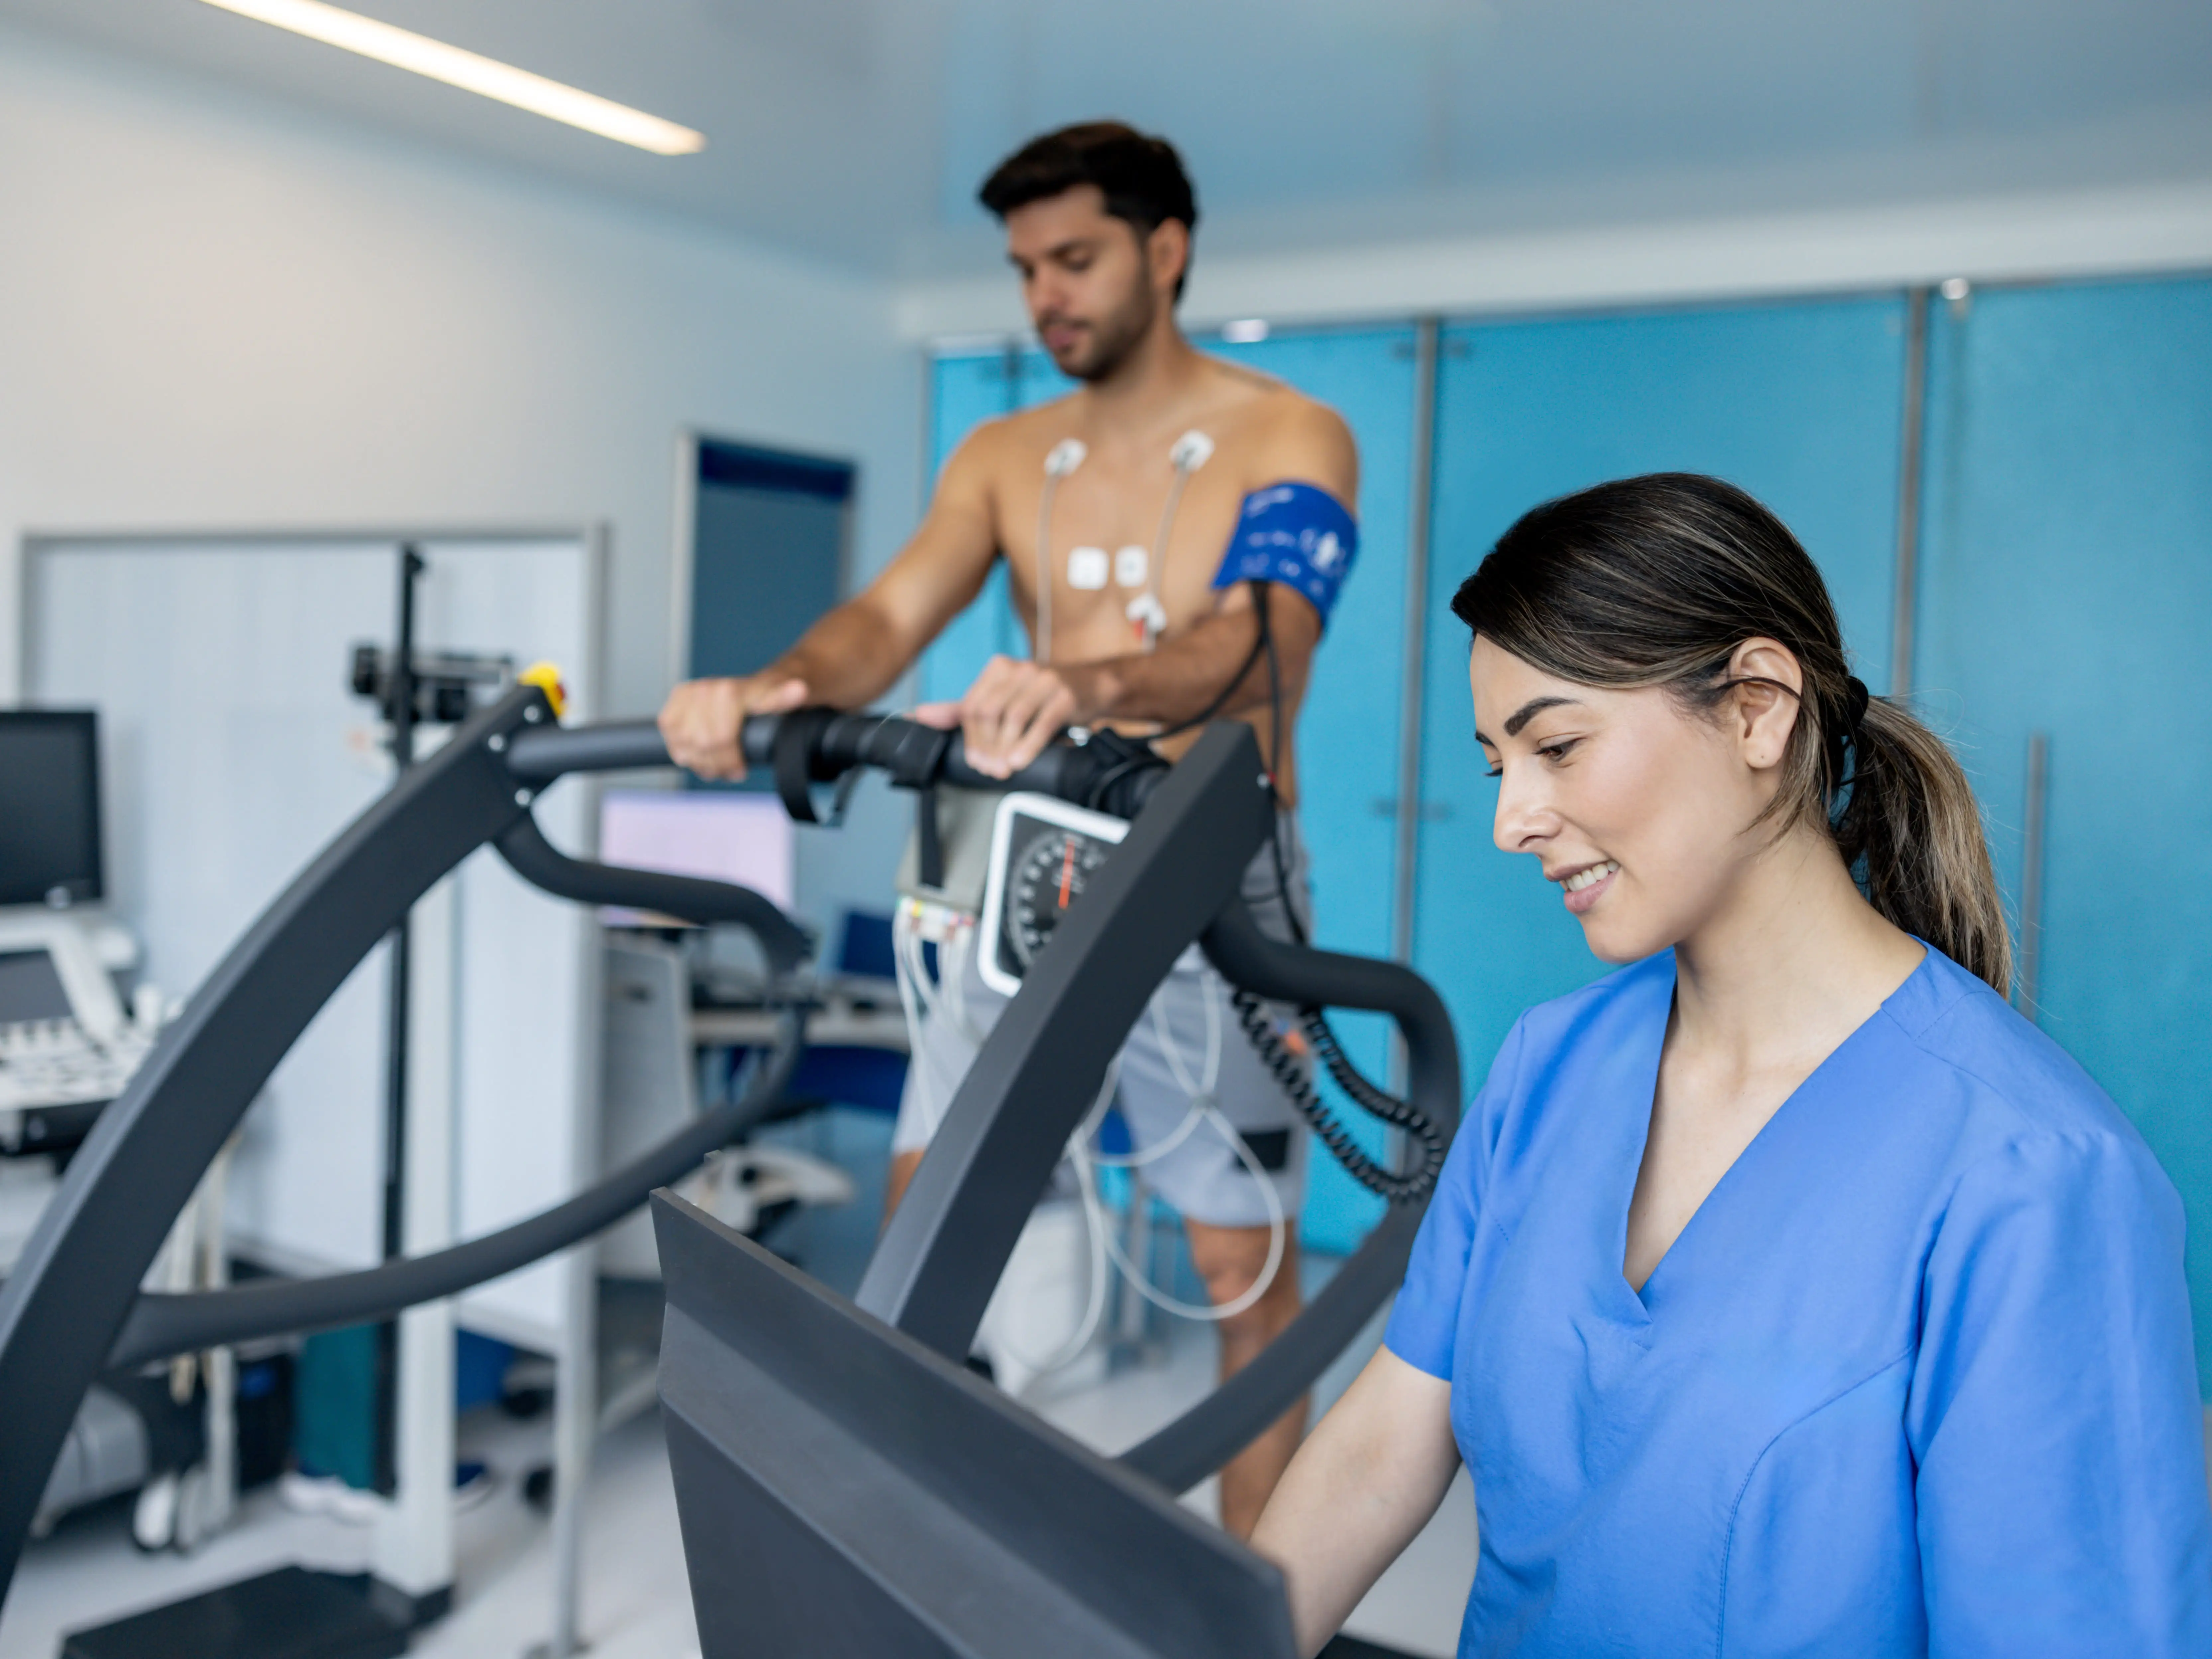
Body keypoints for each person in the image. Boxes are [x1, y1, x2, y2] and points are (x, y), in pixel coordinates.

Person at [1252, 473, 2212, 1655]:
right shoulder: (1551, 1068)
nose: (1512, 821)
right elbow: (1378, 1454)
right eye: (1502, 766)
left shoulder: (2039, 1177)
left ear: (1759, 707)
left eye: (1558, 746)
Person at [658, 121, 1360, 1537]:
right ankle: (911, 1579)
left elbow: (1266, 643)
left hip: (1213, 878)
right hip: (1031, 871)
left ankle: (1265, 1615)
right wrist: (777, 687)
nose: (1046, 294)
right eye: (1027, 267)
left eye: (1076, 259)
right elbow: (884, 619)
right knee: (925, 1239)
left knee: (1242, 1277)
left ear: (1165, 251)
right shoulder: (1002, 454)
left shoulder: (1290, 435)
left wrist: (1084, 686)